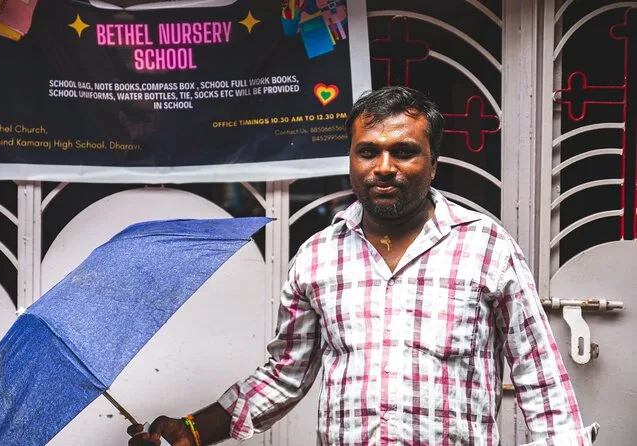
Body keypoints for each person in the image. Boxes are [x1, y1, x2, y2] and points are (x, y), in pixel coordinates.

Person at [127, 86, 599, 445]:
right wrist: (194, 430)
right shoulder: (318, 256)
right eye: (368, 151)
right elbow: (286, 373)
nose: (384, 166)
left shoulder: (487, 247)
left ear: (433, 163)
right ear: (352, 159)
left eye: (405, 151)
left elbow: (541, 379)